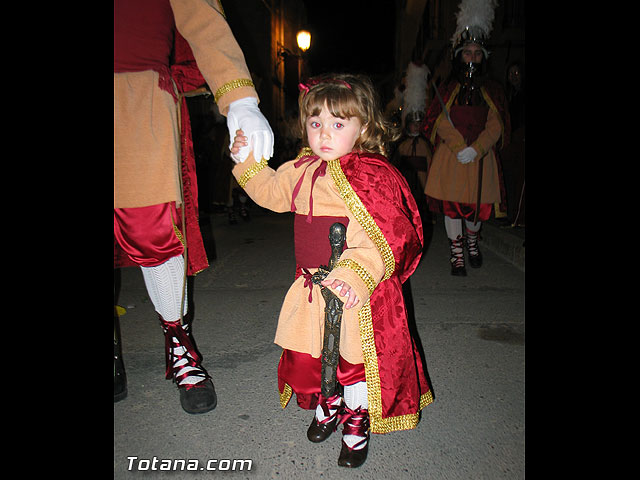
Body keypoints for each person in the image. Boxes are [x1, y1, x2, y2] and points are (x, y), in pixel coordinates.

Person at [229, 73, 433, 468]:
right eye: (315, 122)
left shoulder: (372, 175)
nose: (324, 133)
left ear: (364, 128)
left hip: (354, 293)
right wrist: (246, 161)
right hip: (309, 287)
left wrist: (356, 272)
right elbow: (272, 192)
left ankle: (356, 418)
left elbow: (387, 234)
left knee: (351, 360)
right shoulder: (302, 168)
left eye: (338, 124)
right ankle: (329, 402)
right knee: (316, 352)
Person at [114, 0, 274, 414]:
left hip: (138, 95)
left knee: (153, 231)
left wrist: (240, 99)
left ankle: (178, 342)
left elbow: (203, 21)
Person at [422, 0, 509, 276]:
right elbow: (437, 121)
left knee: (477, 207)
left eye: (477, 53)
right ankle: (456, 253)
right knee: (451, 206)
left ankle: (472, 242)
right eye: (467, 52)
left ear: (484, 57)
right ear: (459, 55)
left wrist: (479, 148)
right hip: (452, 156)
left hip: (480, 158)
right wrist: (459, 146)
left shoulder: (492, 89)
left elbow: (497, 123)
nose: (472, 58)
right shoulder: (448, 87)